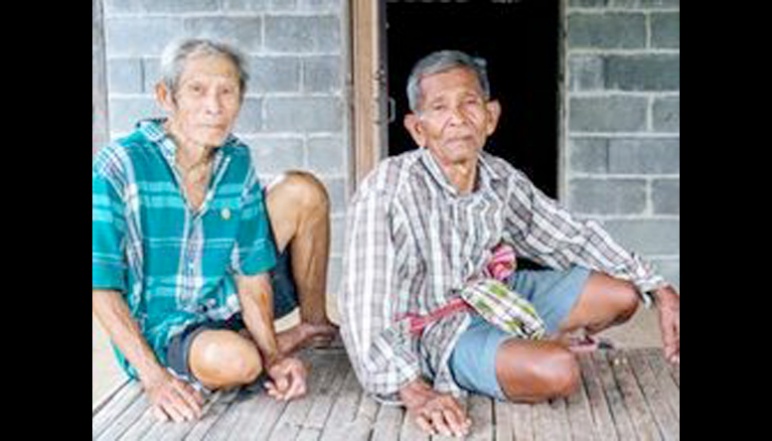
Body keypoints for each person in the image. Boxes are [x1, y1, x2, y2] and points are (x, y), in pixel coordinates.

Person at [339, 50, 680, 437]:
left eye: (469, 103)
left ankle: (517, 344)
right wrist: (413, 389)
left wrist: (658, 286)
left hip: (492, 295)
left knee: (622, 295)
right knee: (559, 371)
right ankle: (502, 354)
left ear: (490, 116)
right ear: (418, 129)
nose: (457, 119)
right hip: (435, 329)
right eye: (439, 107)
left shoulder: (499, 177)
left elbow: (569, 235)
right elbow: (362, 308)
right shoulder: (387, 188)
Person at [92, 38, 338, 423]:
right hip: (164, 327)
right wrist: (155, 380)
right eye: (197, 90)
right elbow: (100, 283)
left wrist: (274, 359)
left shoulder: (235, 160)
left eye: (227, 92)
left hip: (226, 303)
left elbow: (251, 271)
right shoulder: (119, 163)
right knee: (236, 361)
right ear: (165, 96)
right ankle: (262, 344)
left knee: (303, 189)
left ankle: (303, 330)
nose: (214, 106)